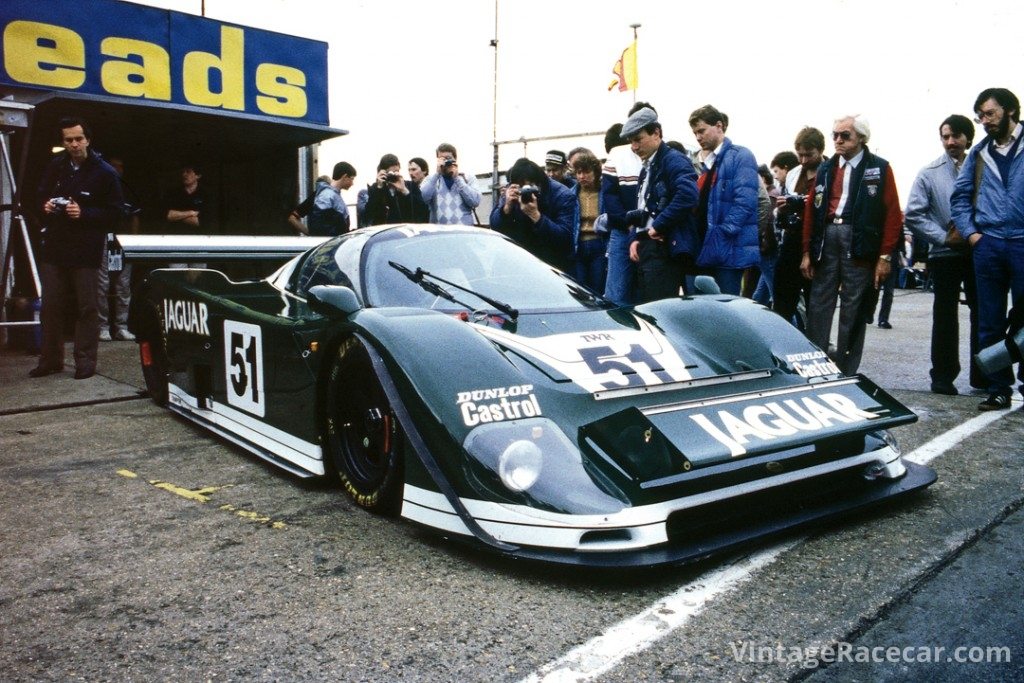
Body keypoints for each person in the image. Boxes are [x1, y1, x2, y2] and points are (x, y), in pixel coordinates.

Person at [800, 115, 903, 376]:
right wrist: (806, 252)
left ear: (861, 138)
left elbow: (892, 213)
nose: (837, 140)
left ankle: (846, 368)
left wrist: (885, 256)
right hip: (827, 236)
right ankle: (816, 363)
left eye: (844, 135)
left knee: (853, 305)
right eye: (835, 135)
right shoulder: (826, 168)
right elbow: (812, 209)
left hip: (859, 240)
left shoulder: (879, 168)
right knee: (819, 302)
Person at [30, 116, 125, 380]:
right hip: (55, 247)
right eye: (68, 140)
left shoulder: (105, 172)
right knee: (50, 305)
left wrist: (84, 213)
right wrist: (45, 206)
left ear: (88, 140)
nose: (74, 144)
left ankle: (85, 361)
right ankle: (50, 360)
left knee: (87, 307)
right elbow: (38, 195)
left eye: (78, 139)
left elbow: (116, 213)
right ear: (63, 142)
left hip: (86, 249)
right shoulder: (56, 166)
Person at [950, 87, 1024, 410]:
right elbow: (960, 198)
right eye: (980, 116)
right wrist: (972, 235)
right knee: (989, 320)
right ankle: (998, 388)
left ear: (1010, 111)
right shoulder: (980, 154)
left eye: (990, 113)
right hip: (989, 245)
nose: (983, 121)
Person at [906, 114, 981, 396]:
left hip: (979, 251)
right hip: (945, 254)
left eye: (956, 136)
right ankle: (942, 376)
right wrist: (944, 238)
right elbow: (914, 213)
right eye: (945, 136)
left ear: (968, 139)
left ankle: (983, 373)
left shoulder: (982, 167)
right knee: (945, 314)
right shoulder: (929, 172)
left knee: (983, 313)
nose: (951, 142)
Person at [622, 107, 700, 303]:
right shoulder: (648, 167)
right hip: (650, 246)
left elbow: (688, 195)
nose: (634, 146)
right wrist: (635, 238)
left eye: (638, 139)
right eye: (631, 141)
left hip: (664, 248)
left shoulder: (673, 160)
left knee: (659, 309)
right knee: (650, 306)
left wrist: (658, 225)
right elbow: (642, 208)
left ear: (656, 133)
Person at [688, 105, 760, 295]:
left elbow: (745, 202)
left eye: (701, 131)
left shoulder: (741, 155)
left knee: (727, 310)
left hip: (728, 250)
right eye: (695, 133)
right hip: (707, 248)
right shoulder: (709, 162)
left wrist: (722, 233)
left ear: (719, 125)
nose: (698, 137)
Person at [774, 127, 825, 329]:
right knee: (783, 297)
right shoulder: (795, 173)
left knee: (815, 300)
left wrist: (805, 203)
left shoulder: (829, 172)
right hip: (792, 237)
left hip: (816, 241)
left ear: (820, 151)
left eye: (809, 155)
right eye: (800, 155)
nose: (803, 160)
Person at [489, 157, 576, 272]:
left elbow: (565, 239)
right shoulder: (512, 190)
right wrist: (506, 208)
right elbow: (494, 226)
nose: (526, 191)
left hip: (550, 262)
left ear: (540, 183)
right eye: (522, 186)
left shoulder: (562, 195)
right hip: (518, 258)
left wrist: (536, 216)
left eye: (530, 186)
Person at [97, 156, 138, 341]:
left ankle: (122, 327)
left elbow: (136, 217)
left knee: (123, 287)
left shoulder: (128, 191)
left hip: (124, 242)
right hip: (104, 240)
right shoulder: (101, 188)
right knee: (102, 286)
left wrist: (133, 241)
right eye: (112, 166)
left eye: (119, 166)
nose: (115, 169)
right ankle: (102, 328)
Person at [601, 120, 642, 305]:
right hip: (623, 229)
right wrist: (629, 222)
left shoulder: (656, 158)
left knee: (643, 290)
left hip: (647, 230)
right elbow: (610, 198)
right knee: (616, 293)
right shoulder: (617, 156)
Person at [570, 151, 608, 293]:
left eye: (586, 172)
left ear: (595, 172)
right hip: (578, 245)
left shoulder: (604, 192)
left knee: (598, 288)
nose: (582, 176)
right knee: (580, 288)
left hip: (599, 244)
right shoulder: (571, 193)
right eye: (578, 172)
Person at [419, 143, 481, 225]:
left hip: (463, 232)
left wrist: (457, 179)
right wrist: (437, 174)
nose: (446, 162)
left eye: (448, 158)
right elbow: (423, 199)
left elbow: (475, 201)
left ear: (455, 159)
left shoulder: (467, 178)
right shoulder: (431, 179)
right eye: (442, 159)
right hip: (440, 233)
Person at [365, 153, 429, 225]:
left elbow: (422, 211)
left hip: (405, 230)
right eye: (390, 173)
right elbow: (368, 214)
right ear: (382, 172)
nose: (393, 175)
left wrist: (404, 190)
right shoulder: (376, 188)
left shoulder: (410, 185)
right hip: (384, 231)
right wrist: (379, 188)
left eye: (396, 172)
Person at [300, 162, 356, 237]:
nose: (352, 183)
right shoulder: (327, 196)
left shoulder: (332, 195)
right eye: (352, 179)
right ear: (345, 176)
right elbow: (320, 228)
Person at [164, 163, 216, 234]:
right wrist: (190, 213)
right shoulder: (173, 193)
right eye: (183, 172)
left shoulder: (206, 194)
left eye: (188, 171)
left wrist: (178, 216)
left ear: (198, 176)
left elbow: (203, 222)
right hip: (176, 234)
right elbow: (168, 216)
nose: (184, 174)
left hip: (199, 236)